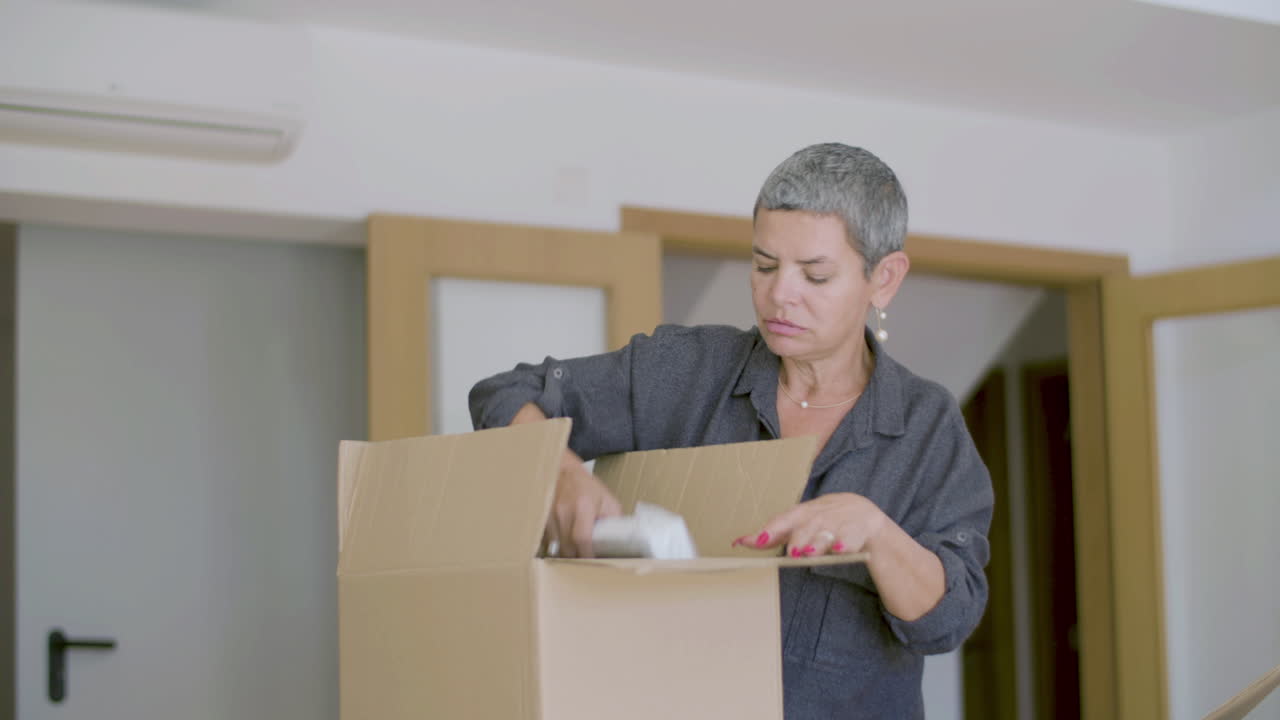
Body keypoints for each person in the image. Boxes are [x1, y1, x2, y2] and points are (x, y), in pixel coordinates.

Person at [469, 143, 993, 719]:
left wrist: (876, 534)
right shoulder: (684, 371)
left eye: (814, 276)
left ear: (884, 279)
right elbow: (504, 393)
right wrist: (559, 474)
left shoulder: (927, 425)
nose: (778, 295)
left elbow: (949, 619)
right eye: (764, 265)